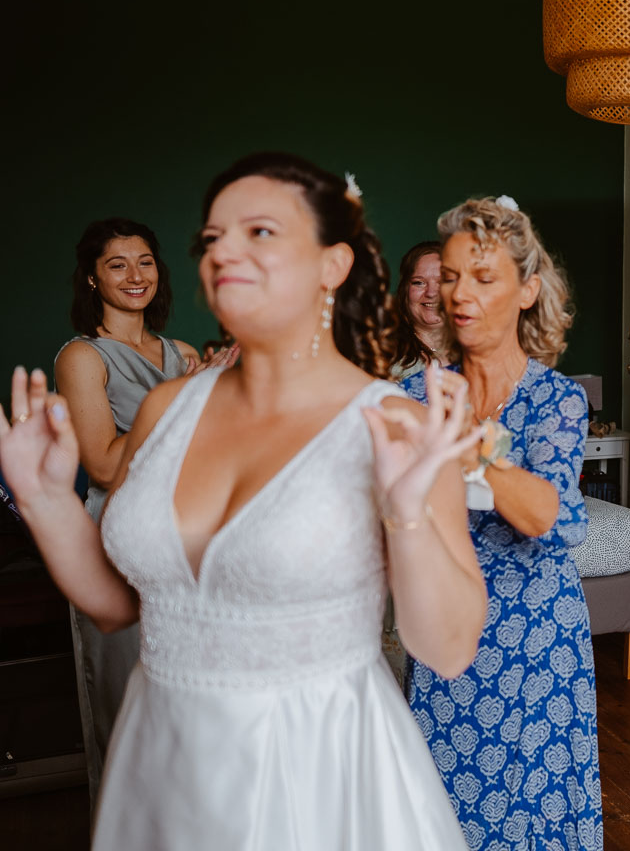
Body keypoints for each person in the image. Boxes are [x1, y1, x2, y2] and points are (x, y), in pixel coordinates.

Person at [0, 152, 487, 849]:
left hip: (313, 771)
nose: (224, 249)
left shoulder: (394, 424)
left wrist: (408, 515)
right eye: (213, 236)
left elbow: (448, 648)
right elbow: (117, 607)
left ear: (332, 265)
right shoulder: (167, 407)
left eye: (259, 232)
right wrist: (46, 500)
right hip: (161, 758)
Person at [401, 196, 603, 851]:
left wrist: (470, 451)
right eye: (452, 275)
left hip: (536, 640)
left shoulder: (556, 399)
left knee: (533, 817)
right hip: (443, 630)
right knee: (437, 808)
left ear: (527, 290)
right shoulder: (414, 394)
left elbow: (552, 513)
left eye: (483, 278)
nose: (459, 294)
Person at [52, 218, 229, 798]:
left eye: (146, 261)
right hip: (122, 539)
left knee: (199, 704)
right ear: (92, 280)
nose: (135, 275)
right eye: (118, 264)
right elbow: (104, 465)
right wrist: (182, 400)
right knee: (130, 701)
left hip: (191, 537)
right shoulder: (82, 357)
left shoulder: (179, 353)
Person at [391, 240, 451, 379]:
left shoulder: (479, 351)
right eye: (419, 283)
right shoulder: (383, 354)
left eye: (442, 281)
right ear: (404, 290)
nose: (431, 293)